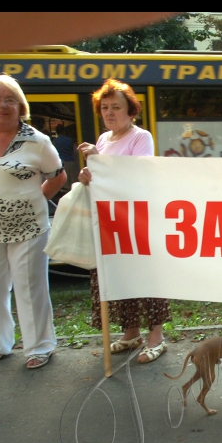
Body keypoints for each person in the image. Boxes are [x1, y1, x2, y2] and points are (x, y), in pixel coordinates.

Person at [0, 74, 67, 369]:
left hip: (29, 228)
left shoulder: (37, 141)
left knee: (30, 288)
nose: (1, 105)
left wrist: (34, 199)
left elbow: (58, 176)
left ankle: (39, 346)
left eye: (10, 100)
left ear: (21, 107)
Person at [78, 79, 171, 364]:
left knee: (146, 277)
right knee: (118, 278)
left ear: (130, 111)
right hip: (111, 222)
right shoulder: (105, 140)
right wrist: (88, 175)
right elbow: (106, 181)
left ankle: (157, 337)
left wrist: (99, 163)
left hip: (137, 220)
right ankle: (131, 333)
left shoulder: (140, 137)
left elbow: (138, 176)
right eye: (104, 107)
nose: (109, 113)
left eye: (116, 107)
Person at [52, 123, 79, 192]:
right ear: (64, 131)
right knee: (71, 181)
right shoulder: (70, 140)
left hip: (61, 163)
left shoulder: (55, 141)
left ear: (57, 132)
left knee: (64, 183)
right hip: (71, 162)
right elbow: (74, 151)